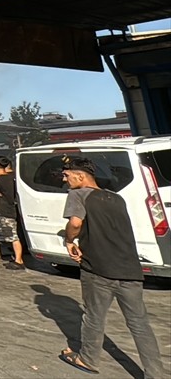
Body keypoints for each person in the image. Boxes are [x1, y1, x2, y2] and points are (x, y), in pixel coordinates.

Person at [57, 158, 166, 377]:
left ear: (80, 176)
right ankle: (156, 374)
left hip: (98, 268)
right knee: (139, 323)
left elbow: (76, 223)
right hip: (130, 269)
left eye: (67, 175)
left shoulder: (78, 195)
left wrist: (69, 241)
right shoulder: (117, 198)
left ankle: (87, 359)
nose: (64, 179)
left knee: (94, 316)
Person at [0, 156, 25, 271]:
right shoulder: (15, 176)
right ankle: (19, 257)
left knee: (13, 236)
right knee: (18, 234)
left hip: (6, 210)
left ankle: (18, 260)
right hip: (18, 208)